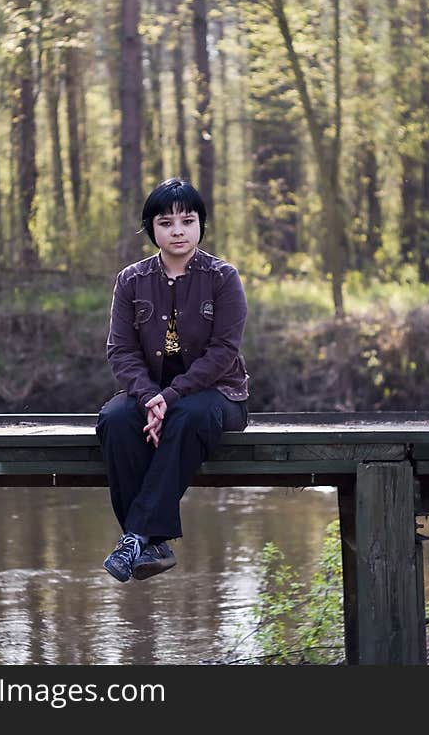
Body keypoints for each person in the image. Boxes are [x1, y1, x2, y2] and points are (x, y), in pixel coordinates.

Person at [95, 178, 250, 582]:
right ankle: (153, 546)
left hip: (219, 394)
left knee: (190, 415)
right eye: (166, 222)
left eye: (187, 220)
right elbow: (121, 351)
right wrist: (150, 397)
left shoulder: (222, 277)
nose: (177, 230)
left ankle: (136, 536)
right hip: (151, 396)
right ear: (152, 229)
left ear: (201, 225)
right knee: (114, 419)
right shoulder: (131, 280)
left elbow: (224, 351)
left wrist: (170, 395)